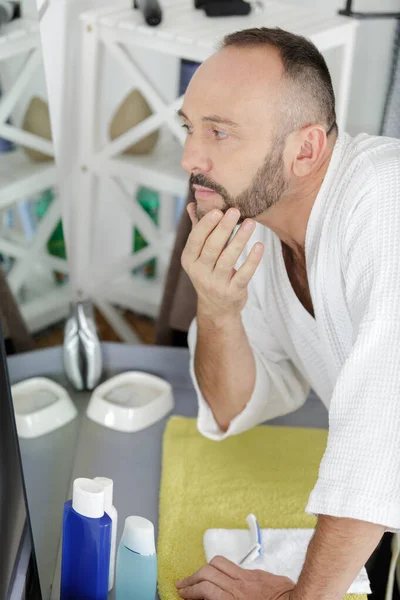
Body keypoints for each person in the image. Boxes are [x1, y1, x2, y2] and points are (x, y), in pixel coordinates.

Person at [174, 27, 400, 600]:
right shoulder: (263, 225)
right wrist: (219, 309)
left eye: (219, 132)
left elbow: (379, 444)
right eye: (189, 127)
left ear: (305, 150)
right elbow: (232, 407)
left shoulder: (383, 207)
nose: (188, 158)